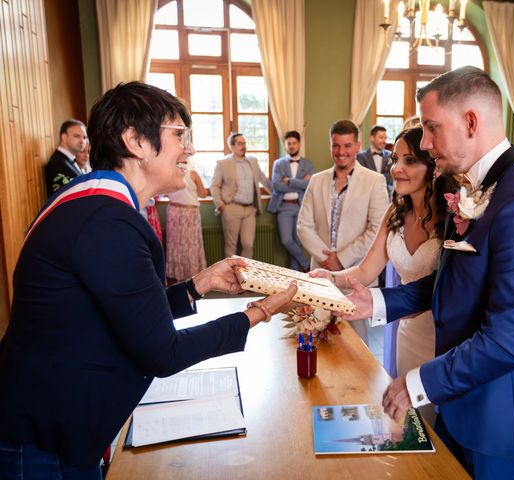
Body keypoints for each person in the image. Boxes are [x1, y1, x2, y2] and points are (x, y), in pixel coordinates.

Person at [0, 82, 296, 478]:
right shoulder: (106, 220)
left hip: (55, 421)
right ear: (135, 140)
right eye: (179, 135)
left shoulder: (96, 202)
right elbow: (162, 351)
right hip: (46, 437)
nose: (188, 149)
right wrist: (256, 313)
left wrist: (197, 285)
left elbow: (127, 312)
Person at [343, 66, 514, 478]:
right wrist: (377, 300)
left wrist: (417, 383)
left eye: (432, 128)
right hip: (459, 395)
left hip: (504, 411)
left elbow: (507, 342)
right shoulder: (466, 190)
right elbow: (451, 281)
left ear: (470, 121)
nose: (426, 143)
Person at [311, 126, 451, 377]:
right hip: (406, 331)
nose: (396, 168)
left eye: (409, 161)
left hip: (442, 337)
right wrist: (330, 278)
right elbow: (365, 270)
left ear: (434, 167)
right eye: (395, 159)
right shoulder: (395, 212)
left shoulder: (452, 218)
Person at [297, 119, 388, 343]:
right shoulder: (316, 181)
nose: (341, 152)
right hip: (321, 272)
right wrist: (326, 259)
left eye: (347, 146)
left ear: (357, 146)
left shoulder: (375, 181)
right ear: (331, 146)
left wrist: (342, 259)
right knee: (317, 335)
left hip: (356, 274)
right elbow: (303, 225)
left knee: (356, 343)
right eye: (336, 145)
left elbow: (376, 230)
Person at [210, 133, 273, 258]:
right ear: (232, 146)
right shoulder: (223, 163)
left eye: (244, 143)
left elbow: (263, 179)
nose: (243, 146)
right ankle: (231, 276)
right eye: (239, 143)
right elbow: (214, 186)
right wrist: (221, 205)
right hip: (231, 208)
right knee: (231, 246)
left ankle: (245, 276)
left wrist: (276, 194)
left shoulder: (253, 161)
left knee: (248, 244)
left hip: (250, 209)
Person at [267, 130, 315, 271]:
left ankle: (294, 275)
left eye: (294, 143)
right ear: (285, 145)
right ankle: (306, 265)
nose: (292, 146)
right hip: (284, 207)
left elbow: (310, 185)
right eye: (289, 144)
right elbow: (277, 185)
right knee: (287, 240)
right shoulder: (279, 164)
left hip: (302, 206)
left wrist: (290, 181)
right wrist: (299, 183)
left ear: (299, 144)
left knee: (298, 242)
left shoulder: (308, 164)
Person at [166, 159, 209, 281]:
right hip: (190, 212)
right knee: (191, 245)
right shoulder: (193, 174)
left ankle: (176, 273)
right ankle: (192, 275)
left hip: (173, 211)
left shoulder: (169, 173)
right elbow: (203, 193)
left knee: (175, 245)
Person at [44, 118, 87, 197]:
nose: (82, 141)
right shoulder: (57, 164)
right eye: (77, 136)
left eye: (84, 137)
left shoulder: (70, 160)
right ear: (64, 137)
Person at [357, 125, 393, 194]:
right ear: (372, 138)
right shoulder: (361, 157)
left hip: (386, 195)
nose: (384, 141)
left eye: (385, 138)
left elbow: (391, 177)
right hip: (366, 195)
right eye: (381, 137)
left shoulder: (391, 155)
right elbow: (362, 178)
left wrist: (373, 178)